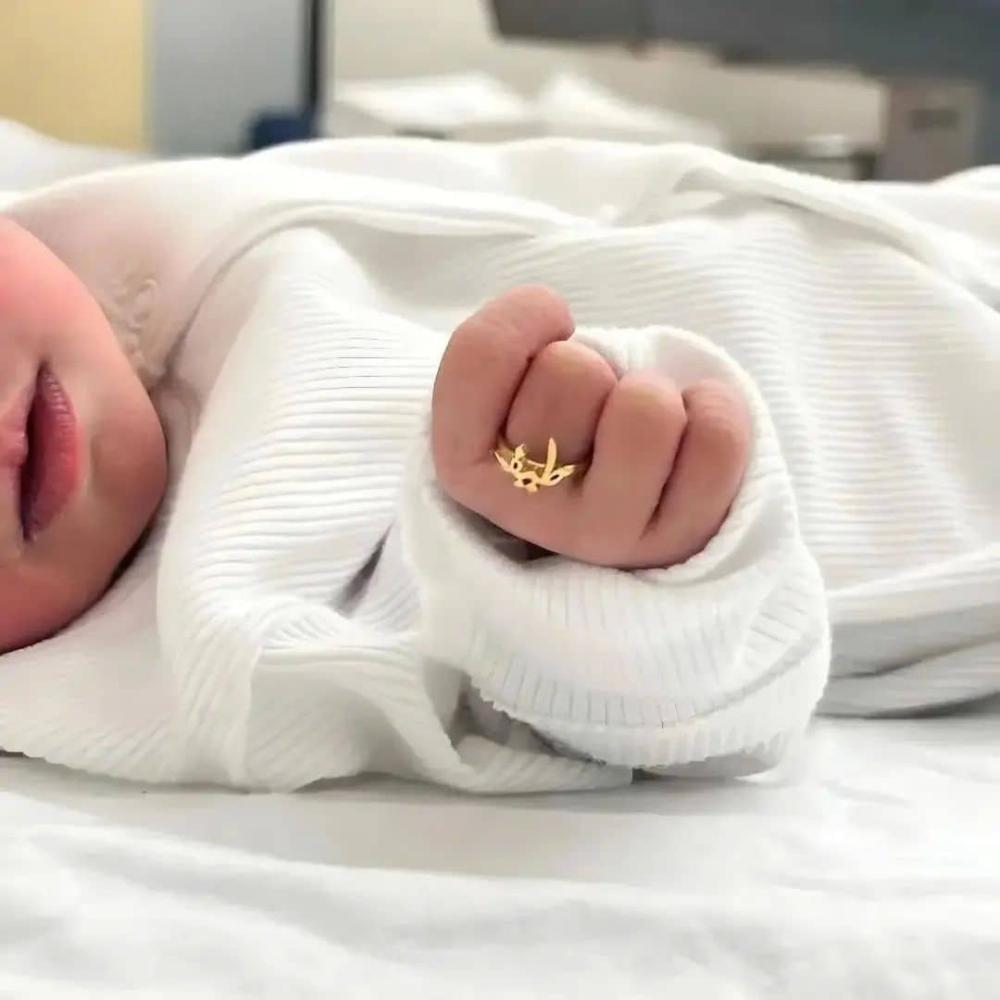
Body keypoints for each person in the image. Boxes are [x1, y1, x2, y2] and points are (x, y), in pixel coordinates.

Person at [0, 139, 997, 792]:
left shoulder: (88, 233)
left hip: (924, 232)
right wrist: (620, 577)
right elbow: (580, 702)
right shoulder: (205, 636)